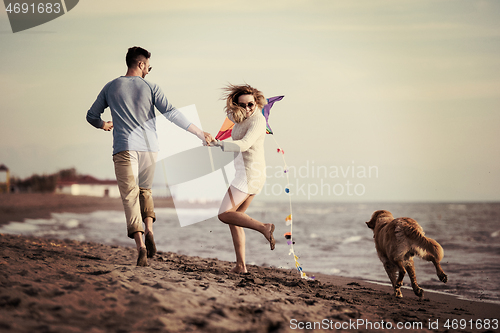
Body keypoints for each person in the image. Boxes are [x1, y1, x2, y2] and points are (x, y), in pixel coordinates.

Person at [86, 46, 212, 266]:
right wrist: (201, 133)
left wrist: (103, 124)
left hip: (124, 147)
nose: (148, 71)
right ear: (141, 64)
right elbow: (172, 114)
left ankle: (141, 246)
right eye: (148, 67)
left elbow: (91, 115)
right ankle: (150, 230)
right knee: (145, 191)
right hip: (149, 148)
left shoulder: (111, 87)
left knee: (129, 196)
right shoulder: (151, 87)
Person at [210, 84, 275, 274]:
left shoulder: (258, 121)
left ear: (257, 103)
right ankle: (241, 266)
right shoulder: (237, 116)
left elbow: (245, 144)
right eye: (243, 105)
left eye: (251, 105)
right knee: (234, 219)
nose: (247, 109)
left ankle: (264, 227)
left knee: (223, 214)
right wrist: (205, 136)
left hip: (249, 174)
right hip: (245, 173)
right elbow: (230, 116)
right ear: (236, 105)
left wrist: (218, 144)